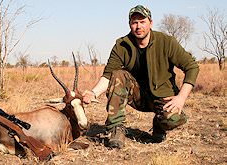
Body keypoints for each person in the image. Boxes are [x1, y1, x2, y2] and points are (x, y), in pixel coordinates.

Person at [83, 5, 199, 148]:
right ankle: (116, 129)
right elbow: (108, 75)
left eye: (142, 21)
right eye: (134, 22)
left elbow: (192, 67)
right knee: (118, 74)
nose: (138, 26)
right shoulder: (122, 45)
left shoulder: (166, 42)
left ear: (150, 23)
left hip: (162, 97)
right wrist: (93, 93)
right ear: (130, 25)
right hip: (138, 96)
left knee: (173, 119)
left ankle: (159, 124)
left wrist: (181, 98)